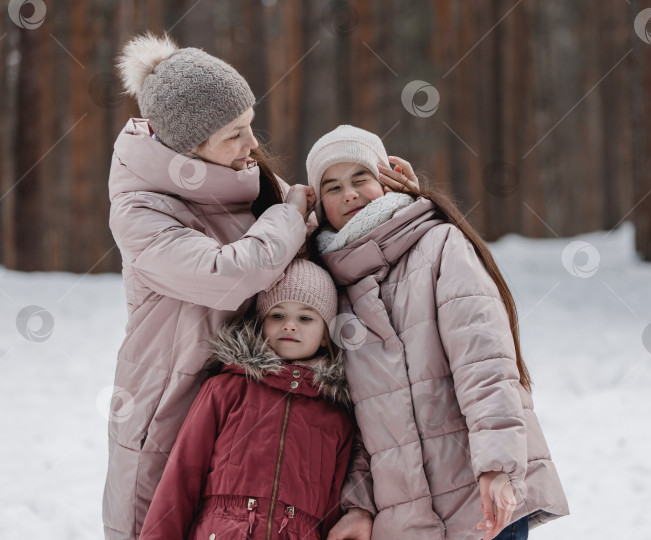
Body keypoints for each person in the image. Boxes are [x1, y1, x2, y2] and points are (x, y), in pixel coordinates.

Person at [306, 125, 570, 540]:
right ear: (321, 205)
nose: (350, 194)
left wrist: (498, 468)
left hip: (481, 501)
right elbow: (351, 421)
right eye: (333, 187)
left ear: (385, 180)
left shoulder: (439, 246)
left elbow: (486, 366)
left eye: (360, 179)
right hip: (408, 521)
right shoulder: (327, 289)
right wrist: (359, 505)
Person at [103, 32, 315, 540]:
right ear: (188, 148)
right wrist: (290, 216)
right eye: (235, 134)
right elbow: (230, 276)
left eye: (250, 124)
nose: (253, 144)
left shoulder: (247, 181)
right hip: (165, 412)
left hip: (238, 413)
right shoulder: (141, 210)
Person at [140, 259, 354, 540]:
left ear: (326, 336)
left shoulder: (335, 417)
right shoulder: (224, 390)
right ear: (260, 323)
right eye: (277, 316)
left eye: (305, 318)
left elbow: (332, 507)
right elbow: (181, 478)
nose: (289, 326)